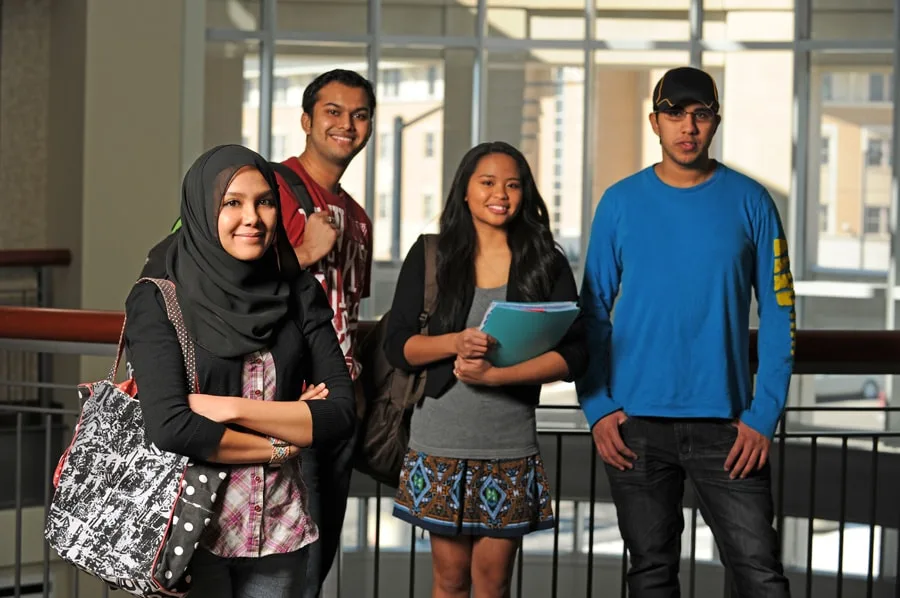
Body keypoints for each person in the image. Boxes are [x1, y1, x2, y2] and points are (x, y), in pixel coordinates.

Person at [140, 69, 375, 597]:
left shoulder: (296, 291)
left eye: (265, 201)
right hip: (188, 529)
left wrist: (228, 410)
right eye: (232, 203)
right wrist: (284, 440)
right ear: (203, 210)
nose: (253, 218)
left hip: (279, 532)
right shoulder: (160, 294)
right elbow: (172, 427)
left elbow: (338, 412)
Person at [577, 66, 794, 597]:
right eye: (674, 113)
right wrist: (598, 408)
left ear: (715, 122)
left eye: (700, 115)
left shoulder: (753, 201)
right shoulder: (620, 202)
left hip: (729, 427)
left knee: (760, 573)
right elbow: (591, 313)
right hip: (636, 426)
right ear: (655, 122)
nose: (687, 127)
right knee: (650, 575)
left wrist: (763, 417)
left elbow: (781, 312)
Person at [384, 141, 588, 598]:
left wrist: (495, 377)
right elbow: (397, 346)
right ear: (465, 191)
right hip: (440, 442)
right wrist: (454, 342)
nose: (501, 193)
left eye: (513, 184)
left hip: (509, 443)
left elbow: (576, 355)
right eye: (488, 182)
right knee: (450, 582)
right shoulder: (431, 255)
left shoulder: (545, 261)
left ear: (525, 193)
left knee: (493, 585)